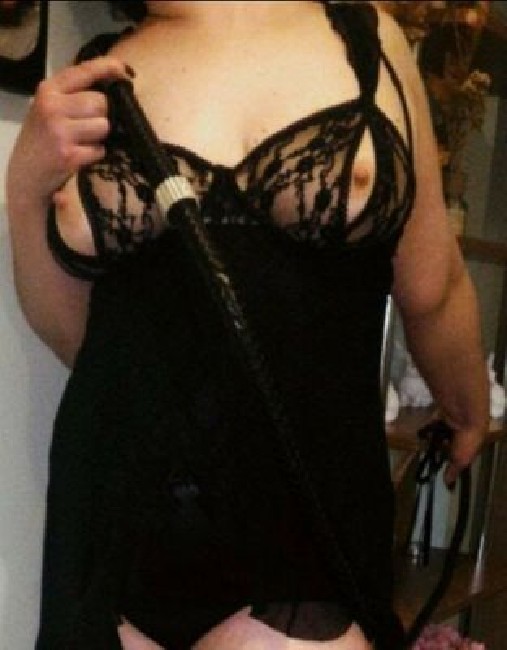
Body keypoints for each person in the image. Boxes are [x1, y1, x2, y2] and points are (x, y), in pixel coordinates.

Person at [6, 1, 489, 649]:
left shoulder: (366, 38)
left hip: (306, 523)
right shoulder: (97, 70)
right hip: (116, 515)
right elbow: (78, 340)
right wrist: (25, 188)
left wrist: (465, 405)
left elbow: (433, 285)